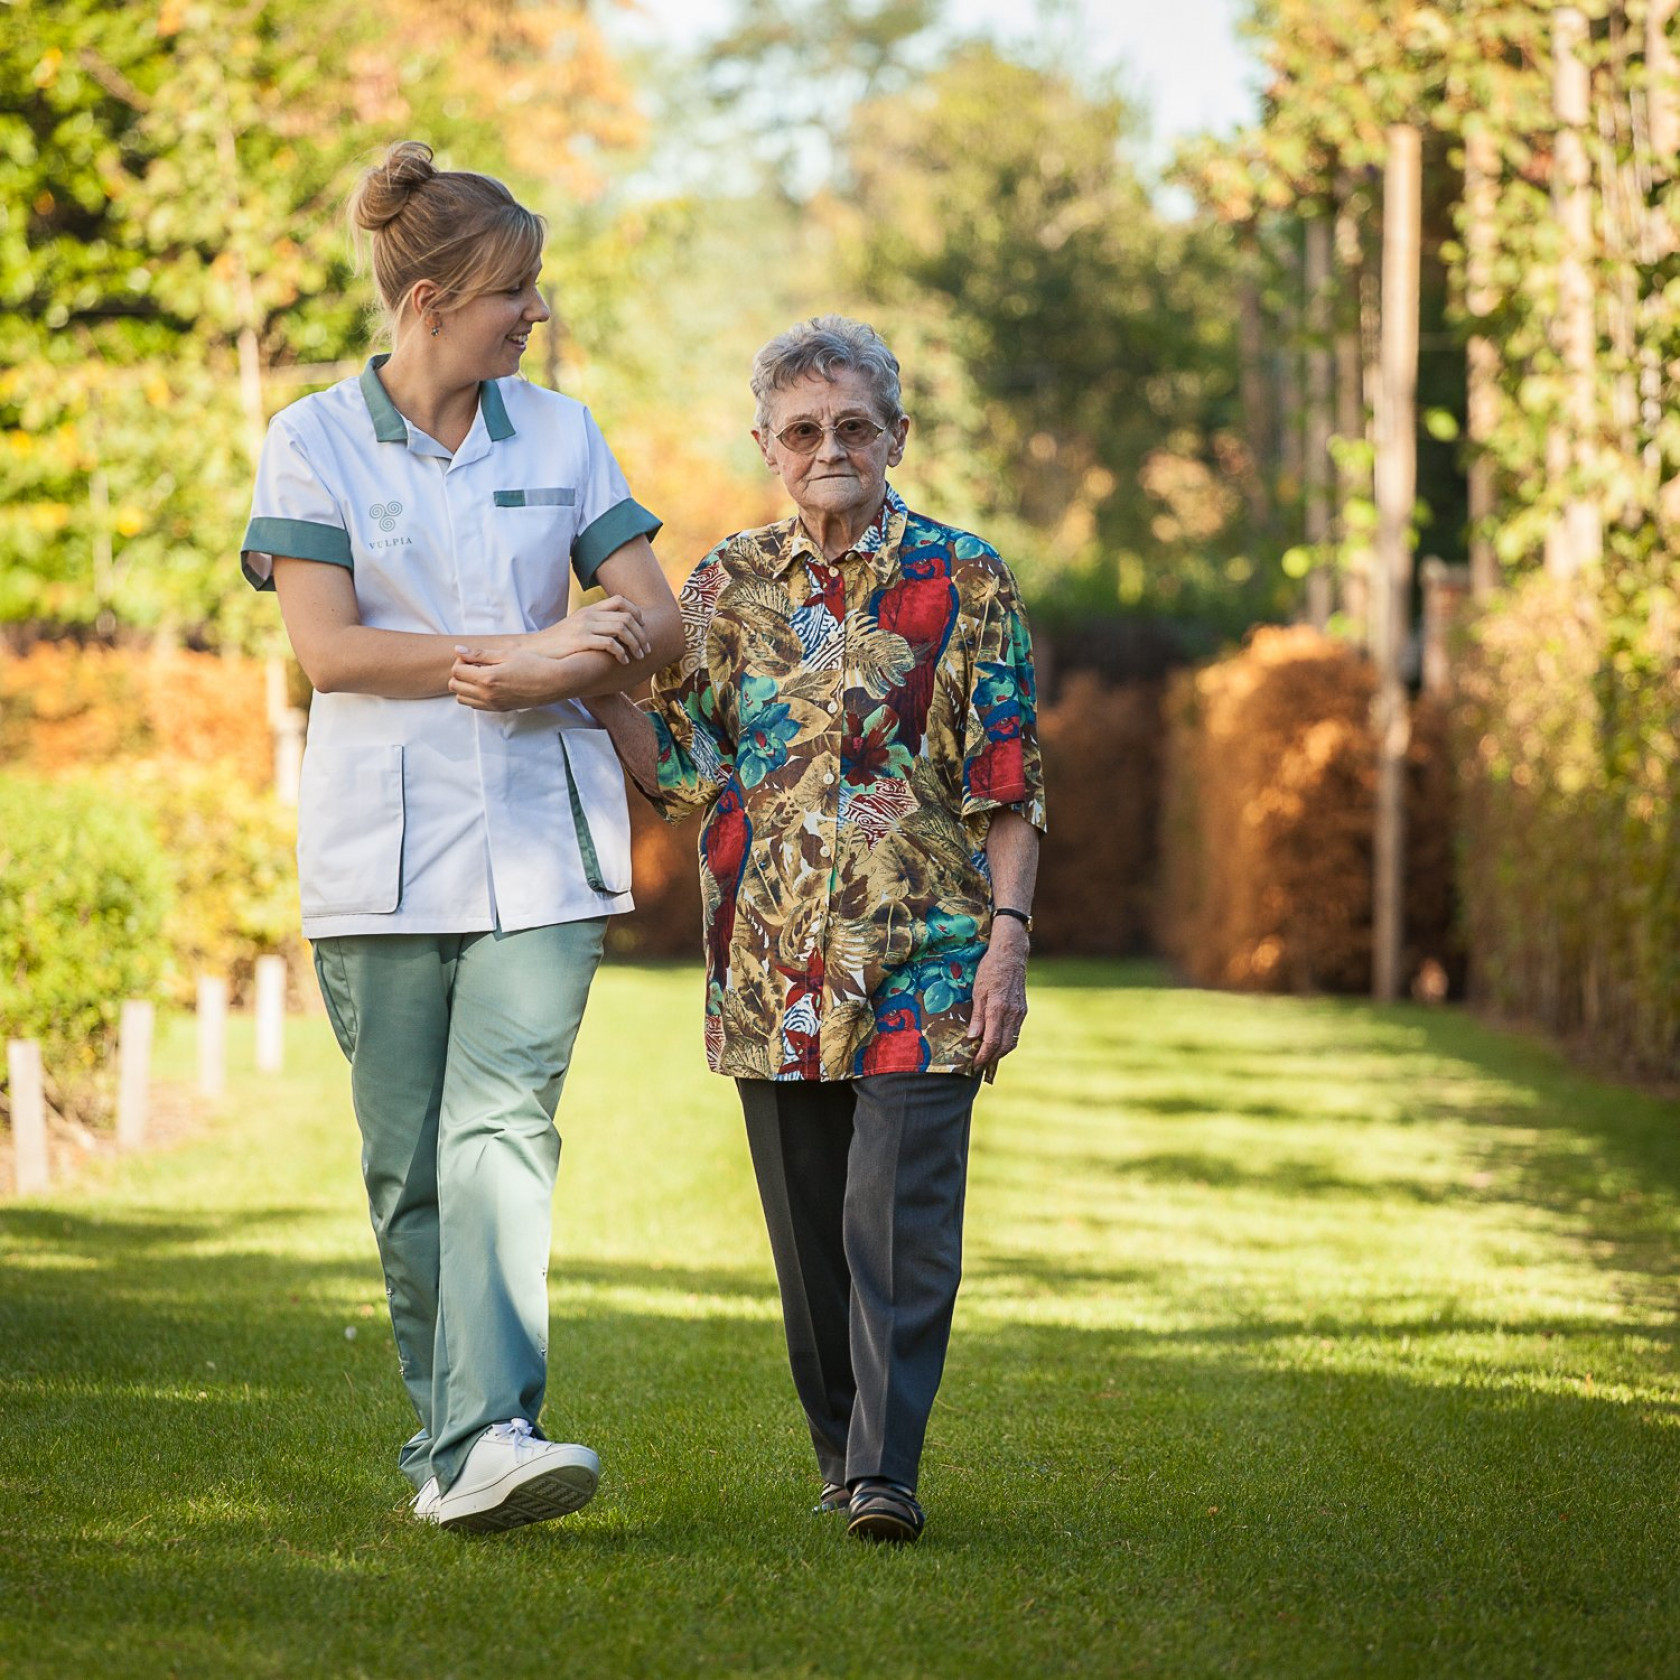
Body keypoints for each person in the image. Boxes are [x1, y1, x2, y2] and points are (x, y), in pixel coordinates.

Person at [240, 141, 682, 1533]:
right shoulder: (309, 438)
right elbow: (330, 651)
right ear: (430, 299)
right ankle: (452, 1452)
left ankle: (496, 1426)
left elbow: (655, 624)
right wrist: (537, 647)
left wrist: (567, 669)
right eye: (513, 291)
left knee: (500, 1129)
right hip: (374, 858)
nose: (533, 312)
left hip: (545, 849)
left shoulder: (560, 434)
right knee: (406, 1165)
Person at [584, 314, 1046, 1544]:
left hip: (927, 958)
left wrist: (1007, 945)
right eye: (804, 430)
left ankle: (887, 1473)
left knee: (897, 1224)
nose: (829, 446)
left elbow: (1010, 781)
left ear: (895, 436)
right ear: (767, 447)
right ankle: (841, 1458)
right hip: (770, 965)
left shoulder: (968, 578)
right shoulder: (725, 586)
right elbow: (682, 768)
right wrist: (594, 686)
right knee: (810, 1248)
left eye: (853, 425)